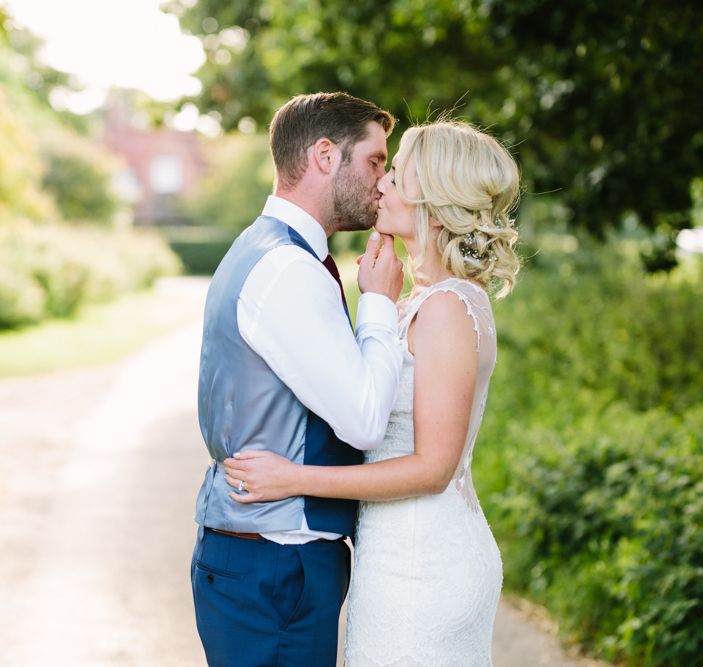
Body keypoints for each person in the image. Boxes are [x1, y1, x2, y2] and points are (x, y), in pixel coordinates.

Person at [223, 120, 521, 666]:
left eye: (396, 173)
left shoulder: (447, 310)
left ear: (434, 196)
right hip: (396, 556)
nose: (379, 184)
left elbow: (433, 468)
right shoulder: (422, 300)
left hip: (422, 567)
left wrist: (294, 479)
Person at [191, 92, 405, 667]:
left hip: (264, 556)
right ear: (326, 155)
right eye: (376, 161)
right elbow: (362, 421)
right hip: (278, 563)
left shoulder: (266, 248)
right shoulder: (288, 269)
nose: (383, 182)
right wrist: (379, 305)